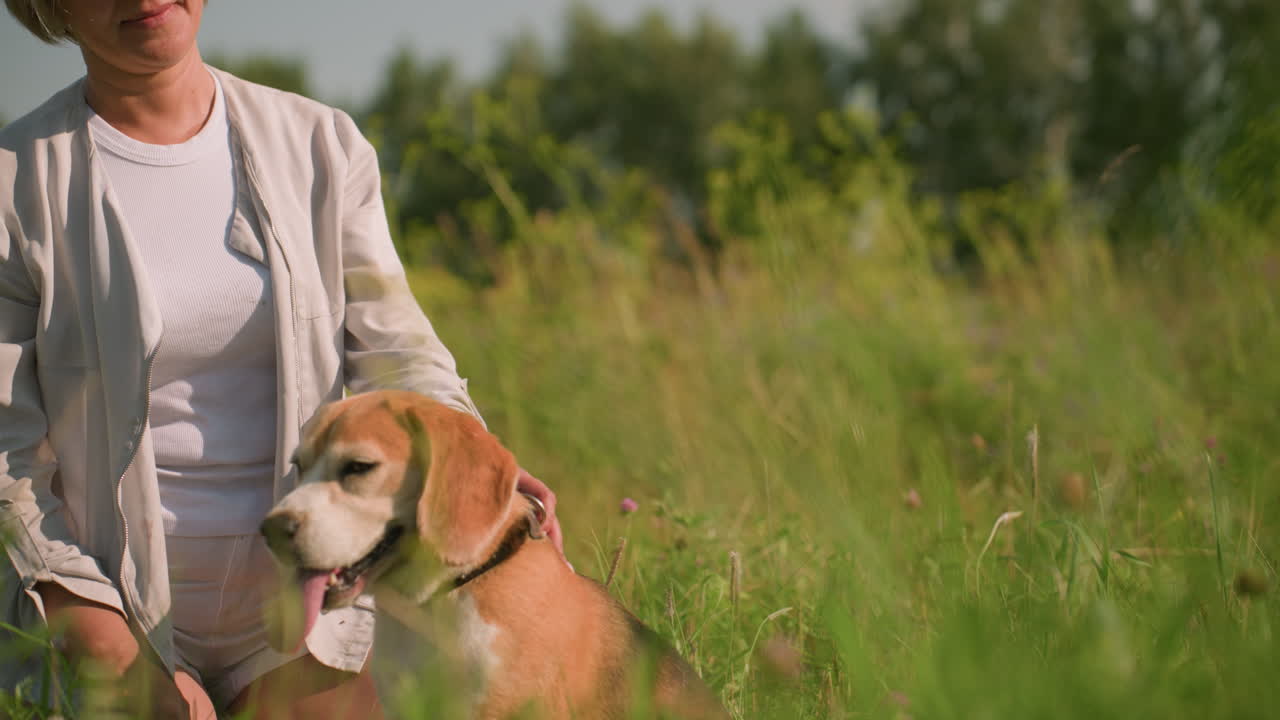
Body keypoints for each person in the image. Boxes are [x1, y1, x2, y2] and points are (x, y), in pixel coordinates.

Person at [0, 1, 564, 717]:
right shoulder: (14, 183)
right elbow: (5, 459)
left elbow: (397, 350)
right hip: (105, 612)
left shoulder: (321, 144)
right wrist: (115, 656)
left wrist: (471, 460)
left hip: (322, 613)